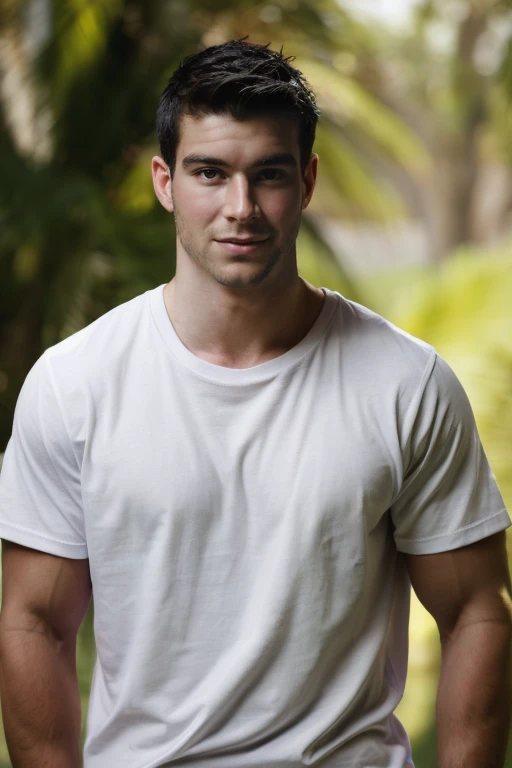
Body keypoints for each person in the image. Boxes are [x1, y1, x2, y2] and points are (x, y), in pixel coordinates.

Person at [0, 38, 511, 768]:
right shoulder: (76, 383)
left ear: (305, 181)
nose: (240, 208)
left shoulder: (406, 384)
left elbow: (476, 612)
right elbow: (34, 621)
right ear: (164, 181)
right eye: (210, 172)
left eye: (267, 175)